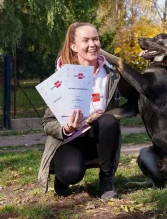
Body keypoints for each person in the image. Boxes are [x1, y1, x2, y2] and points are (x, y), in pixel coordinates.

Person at [37, 22, 124, 200]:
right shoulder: (61, 77)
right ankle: (62, 179)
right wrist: (66, 128)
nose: (92, 44)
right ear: (74, 46)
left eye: (95, 39)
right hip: (69, 140)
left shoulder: (110, 75)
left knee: (109, 120)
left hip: (98, 137)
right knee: (71, 173)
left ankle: (107, 181)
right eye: (85, 40)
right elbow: (47, 123)